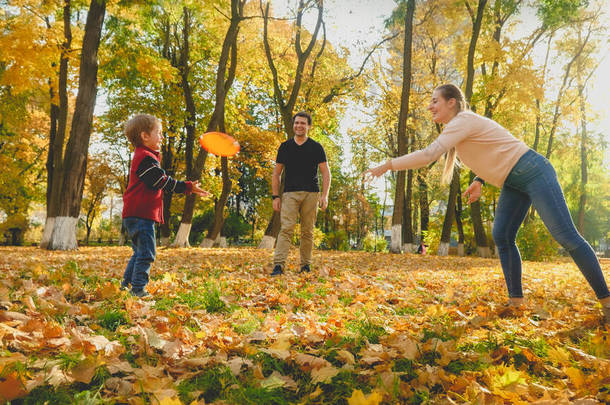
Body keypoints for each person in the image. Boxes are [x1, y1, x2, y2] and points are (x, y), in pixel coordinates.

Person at [364, 84, 610, 322]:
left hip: (535, 172)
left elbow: (429, 155)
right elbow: (495, 145)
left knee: (566, 237)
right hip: (514, 181)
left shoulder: (463, 120)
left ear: (452, 102)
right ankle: (516, 303)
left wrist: (389, 164)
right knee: (502, 235)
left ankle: (607, 300)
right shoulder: (460, 126)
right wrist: (479, 179)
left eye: (434, 101)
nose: (430, 107)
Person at [121, 114, 209, 297]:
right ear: (145, 136)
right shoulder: (145, 158)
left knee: (139, 253)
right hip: (140, 215)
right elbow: (160, 181)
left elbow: (158, 180)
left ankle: (126, 286)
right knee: (146, 253)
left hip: (135, 214)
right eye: (159, 133)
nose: (161, 137)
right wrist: (187, 187)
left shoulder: (144, 157)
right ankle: (137, 290)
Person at [270, 111, 331, 276]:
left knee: (307, 231)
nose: (299, 126)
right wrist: (275, 196)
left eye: (303, 123)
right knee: (286, 229)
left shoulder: (316, 147)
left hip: (311, 194)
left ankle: (305, 266)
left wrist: (324, 196)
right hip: (289, 194)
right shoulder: (285, 147)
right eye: (297, 123)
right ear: (293, 125)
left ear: (308, 126)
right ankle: (278, 265)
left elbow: (326, 172)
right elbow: (276, 173)